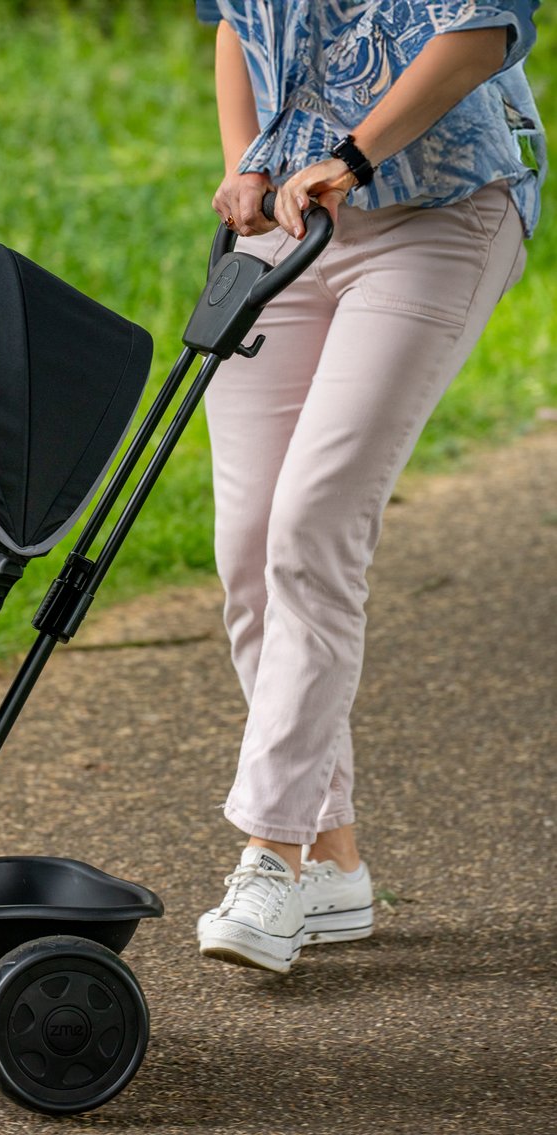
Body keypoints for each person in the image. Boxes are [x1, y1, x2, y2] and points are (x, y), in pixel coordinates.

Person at [193, 1, 545, 973]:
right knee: (249, 544)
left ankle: (267, 850)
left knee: (312, 523)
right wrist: (245, 162)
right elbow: (232, 23)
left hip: (436, 206)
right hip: (283, 219)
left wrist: (350, 158)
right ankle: (332, 857)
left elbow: (478, 32)